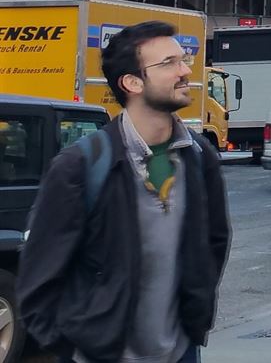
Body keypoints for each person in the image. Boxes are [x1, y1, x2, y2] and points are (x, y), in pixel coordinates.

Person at [17, 21, 231, 363]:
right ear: (131, 82)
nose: (185, 71)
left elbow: (214, 243)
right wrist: (73, 349)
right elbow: (38, 277)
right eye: (169, 63)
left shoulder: (199, 156)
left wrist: (195, 316)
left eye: (183, 59)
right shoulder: (80, 166)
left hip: (180, 352)